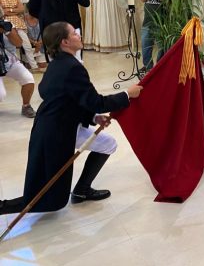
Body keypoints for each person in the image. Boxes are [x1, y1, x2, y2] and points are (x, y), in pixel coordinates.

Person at [0, 22, 143, 215]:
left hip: (56, 122)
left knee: (107, 143)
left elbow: (71, 98)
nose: (79, 34)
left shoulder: (59, 63)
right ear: (65, 42)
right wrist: (127, 94)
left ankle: (82, 191)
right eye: (74, 33)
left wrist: (93, 117)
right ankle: (4, 207)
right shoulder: (71, 67)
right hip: (58, 130)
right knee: (44, 194)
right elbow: (95, 101)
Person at [0, 0, 40, 72]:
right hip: (5, 23)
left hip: (18, 22)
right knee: (10, 46)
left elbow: (21, 9)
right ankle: (14, 68)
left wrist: (9, 10)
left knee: (26, 44)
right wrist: (14, 11)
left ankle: (34, 67)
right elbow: (2, 12)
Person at [0, 17, 36, 118]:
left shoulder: (7, 24)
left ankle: (26, 106)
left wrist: (8, 32)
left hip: (8, 60)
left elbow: (19, 43)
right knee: (1, 95)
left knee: (28, 78)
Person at [140, 0, 172, 71]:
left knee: (162, 47)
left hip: (161, 23)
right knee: (146, 46)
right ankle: (148, 67)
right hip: (147, 22)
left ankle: (159, 67)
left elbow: (167, 3)